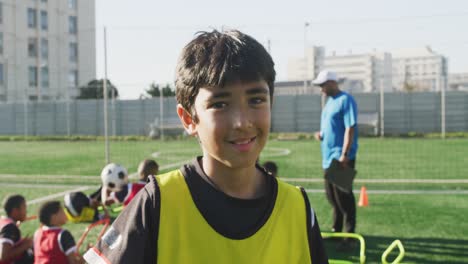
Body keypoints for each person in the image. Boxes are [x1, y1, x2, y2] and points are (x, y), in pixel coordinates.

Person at [84, 29, 328, 263]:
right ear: (189, 119)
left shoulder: (298, 208)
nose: (242, 122)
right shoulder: (157, 203)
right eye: (220, 104)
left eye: (256, 100)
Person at [313, 70, 358, 247]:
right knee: (332, 197)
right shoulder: (329, 103)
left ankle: (350, 237)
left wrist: (345, 154)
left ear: (332, 83)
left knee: (344, 197)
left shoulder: (346, 100)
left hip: (341, 158)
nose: (321, 89)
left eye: (323, 85)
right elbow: (332, 128)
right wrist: (322, 135)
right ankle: (337, 232)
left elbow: (350, 128)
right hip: (328, 157)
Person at [0, 195, 33, 264]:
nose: (26, 211)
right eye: (24, 208)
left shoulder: (3, 221)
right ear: (15, 210)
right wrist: (26, 245)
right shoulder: (9, 228)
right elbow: (4, 256)